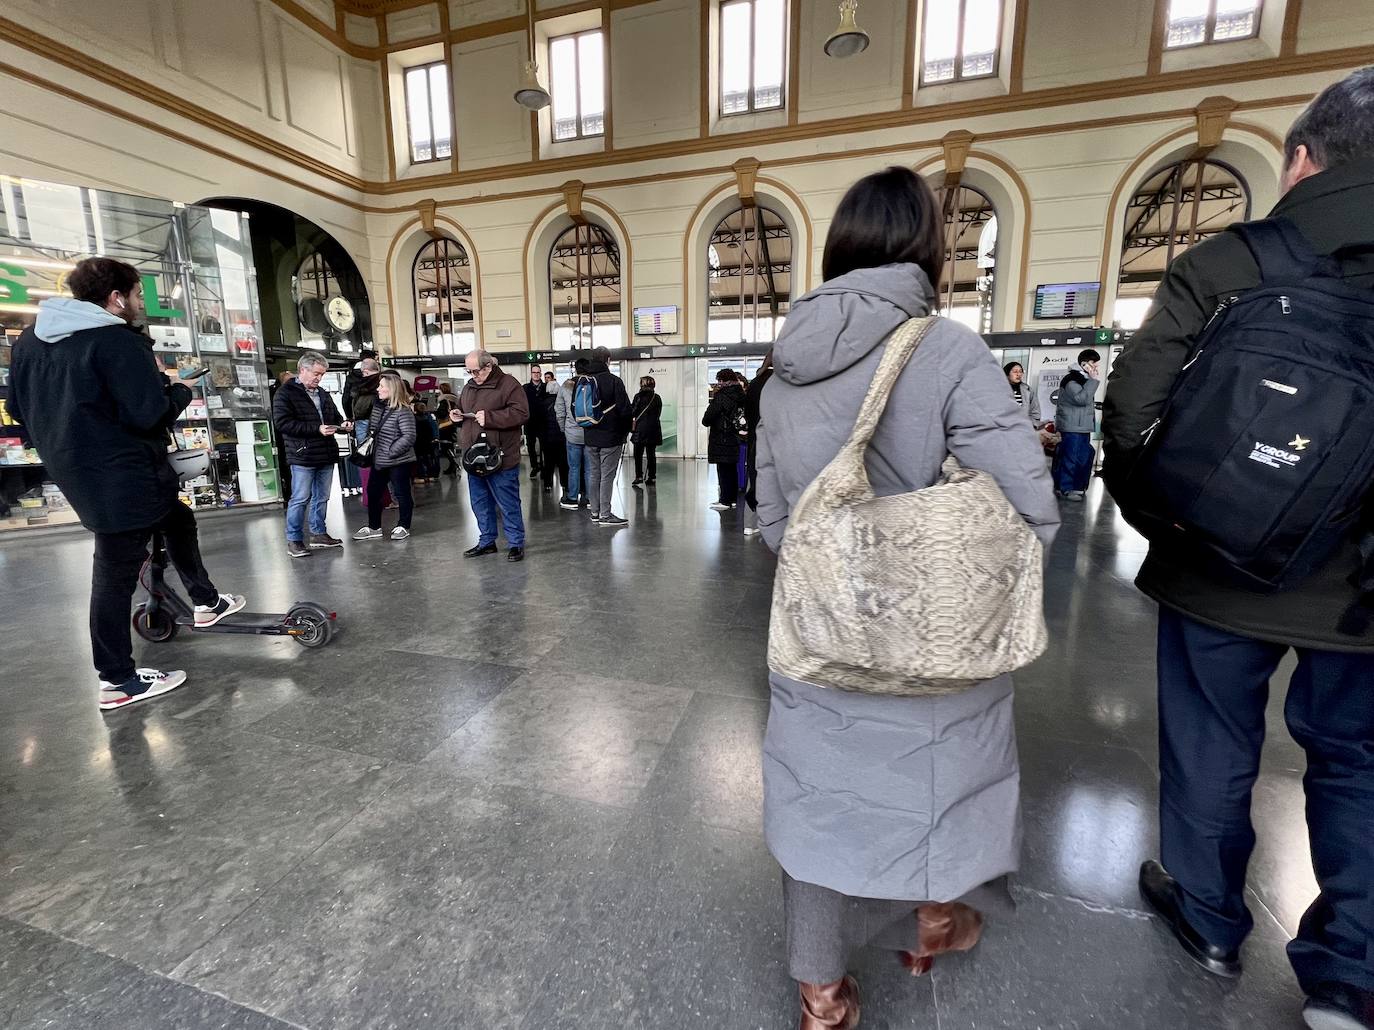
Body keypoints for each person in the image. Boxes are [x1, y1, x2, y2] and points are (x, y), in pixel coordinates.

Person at [754, 166, 1059, 1029]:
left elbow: (776, 521)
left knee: (815, 804)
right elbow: (1028, 506)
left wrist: (844, 585)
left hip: (816, 637)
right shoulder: (949, 350)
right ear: (926, 250)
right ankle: (931, 919)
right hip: (940, 647)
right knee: (940, 784)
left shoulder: (781, 375)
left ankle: (819, 994)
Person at [1102, 68, 1374, 1030]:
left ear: (1303, 158)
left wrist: (1159, 515)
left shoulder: (1237, 258)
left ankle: (1211, 918)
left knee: (1211, 740)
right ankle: (1350, 976)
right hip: (1367, 599)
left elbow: (1132, 405)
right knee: (1362, 763)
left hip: (1220, 564)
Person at [7, 257, 247, 711]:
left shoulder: (30, 343)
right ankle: (118, 679)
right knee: (113, 575)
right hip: (123, 473)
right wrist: (180, 391)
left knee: (176, 517)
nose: (140, 305)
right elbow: (148, 413)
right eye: (137, 296)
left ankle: (206, 601)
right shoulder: (116, 341)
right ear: (116, 299)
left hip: (75, 469)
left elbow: (18, 408)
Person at [273, 352, 351, 558]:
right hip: (302, 455)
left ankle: (318, 533)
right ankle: (294, 540)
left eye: (322, 375)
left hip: (326, 453)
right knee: (300, 498)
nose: (319, 378)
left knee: (322, 497)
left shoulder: (323, 393)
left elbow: (334, 417)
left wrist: (343, 425)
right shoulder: (285, 393)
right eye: (316, 374)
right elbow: (283, 423)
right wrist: (316, 429)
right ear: (303, 370)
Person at [458, 350, 529, 561]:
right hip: (474, 456)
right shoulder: (469, 386)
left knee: (508, 503)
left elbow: (522, 414)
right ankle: (487, 541)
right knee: (480, 503)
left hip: (501, 457)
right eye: (468, 371)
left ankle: (516, 543)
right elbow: (464, 409)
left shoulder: (509, 384)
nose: (472, 375)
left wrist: (490, 418)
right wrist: (457, 415)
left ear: (488, 366)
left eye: (476, 371)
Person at [354, 372, 417, 541]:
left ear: (392, 389)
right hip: (379, 460)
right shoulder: (378, 407)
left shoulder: (403, 411)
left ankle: (403, 525)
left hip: (398, 461)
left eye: (382, 386)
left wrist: (391, 452)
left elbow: (409, 436)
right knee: (373, 492)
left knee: (402, 493)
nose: (378, 389)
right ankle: (374, 527)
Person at [583, 346, 632, 528]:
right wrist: (625, 431)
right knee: (607, 476)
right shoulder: (614, 381)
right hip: (610, 437)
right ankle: (605, 514)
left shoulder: (584, 381)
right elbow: (625, 410)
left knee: (594, 474)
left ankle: (594, 512)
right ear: (608, 360)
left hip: (590, 436)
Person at [1050, 348, 1100, 500]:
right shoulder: (1071, 380)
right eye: (1094, 364)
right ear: (1084, 364)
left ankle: (1073, 487)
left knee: (1081, 456)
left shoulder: (1083, 379)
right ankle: (1067, 488)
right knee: (1070, 457)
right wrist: (1093, 380)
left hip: (1081, 425)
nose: (1096, 368)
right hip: (1072, 426)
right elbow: (1081, 399)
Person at [702, 368, 747, 511]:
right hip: (735, 436)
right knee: (732, 468)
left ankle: (725, 500)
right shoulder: (741, 394)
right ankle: (732, 499)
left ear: (723, 381)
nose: (718, 383)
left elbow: (708, 418)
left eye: (719, 380)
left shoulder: (721, 396)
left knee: (723, 469)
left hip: (721, 436)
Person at [743, 352, 774, 537]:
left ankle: (751, 523)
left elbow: (748, 414)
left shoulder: (755, 383)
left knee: (754, 480)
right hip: (778, 441)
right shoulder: (783, 383)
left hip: (756, 439)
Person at [555, 358, 590, 510]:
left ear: (575, 369)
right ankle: (590, 498)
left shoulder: (566, 385)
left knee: (574, 467)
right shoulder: (593, 384)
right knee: (590, 468)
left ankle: (572, 498)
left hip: (572, 433)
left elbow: (559, 410)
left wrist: (564, 429)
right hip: (591, 433)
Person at [629, 375, 662, 487]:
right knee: (651, 455)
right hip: (653, 430)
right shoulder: (657, 397)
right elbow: (658, 414)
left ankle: (639, 476)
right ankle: (652, 477)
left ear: (642, 385)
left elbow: (632, 412)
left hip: (640, 430)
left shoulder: (638, 396)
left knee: (638, 455)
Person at [538, 375, 569, 497]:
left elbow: (539, 422)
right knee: (563, 462)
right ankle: (565, 484)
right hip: (561, 437)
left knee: (548, 462)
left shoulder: (542, 403)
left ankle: (548, 484)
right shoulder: (563, 402)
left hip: (547, 438)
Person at [436, 382, 462, 477]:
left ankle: (453, 465)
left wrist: (435, 412)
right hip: (452, 424)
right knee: (449, 446)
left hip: (444, 426)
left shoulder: (444, 400)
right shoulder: (454, 399)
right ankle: (452, 466)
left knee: (444, 447)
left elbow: (441, 414)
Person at [1004, 362, 1041, 428]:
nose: (1018, 374)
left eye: (1021, 371)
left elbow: (1035, 411)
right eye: (1015, 372)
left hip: (1023, 428)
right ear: (1007, 374)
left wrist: (1032, 424)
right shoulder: (999, 389)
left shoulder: (1028, 389)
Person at [523, 364, 544, 478]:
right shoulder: (525, 388)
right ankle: (534, 467)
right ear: (531, 374)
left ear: (540, 374)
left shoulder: (546, 387)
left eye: (538, 372)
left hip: (543, 422)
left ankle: (543, 466)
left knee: (544, 446)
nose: (536, 374)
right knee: (530, 446)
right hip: (530, 422)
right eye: (534, 372)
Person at [411, 398, 439, 483]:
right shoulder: (429, 418)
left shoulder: (414, 419)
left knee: (419, 460)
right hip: (428, 442)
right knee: (429, 459)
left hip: (418, 443)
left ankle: (422, 476)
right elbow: (433, 429)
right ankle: (431, 475)